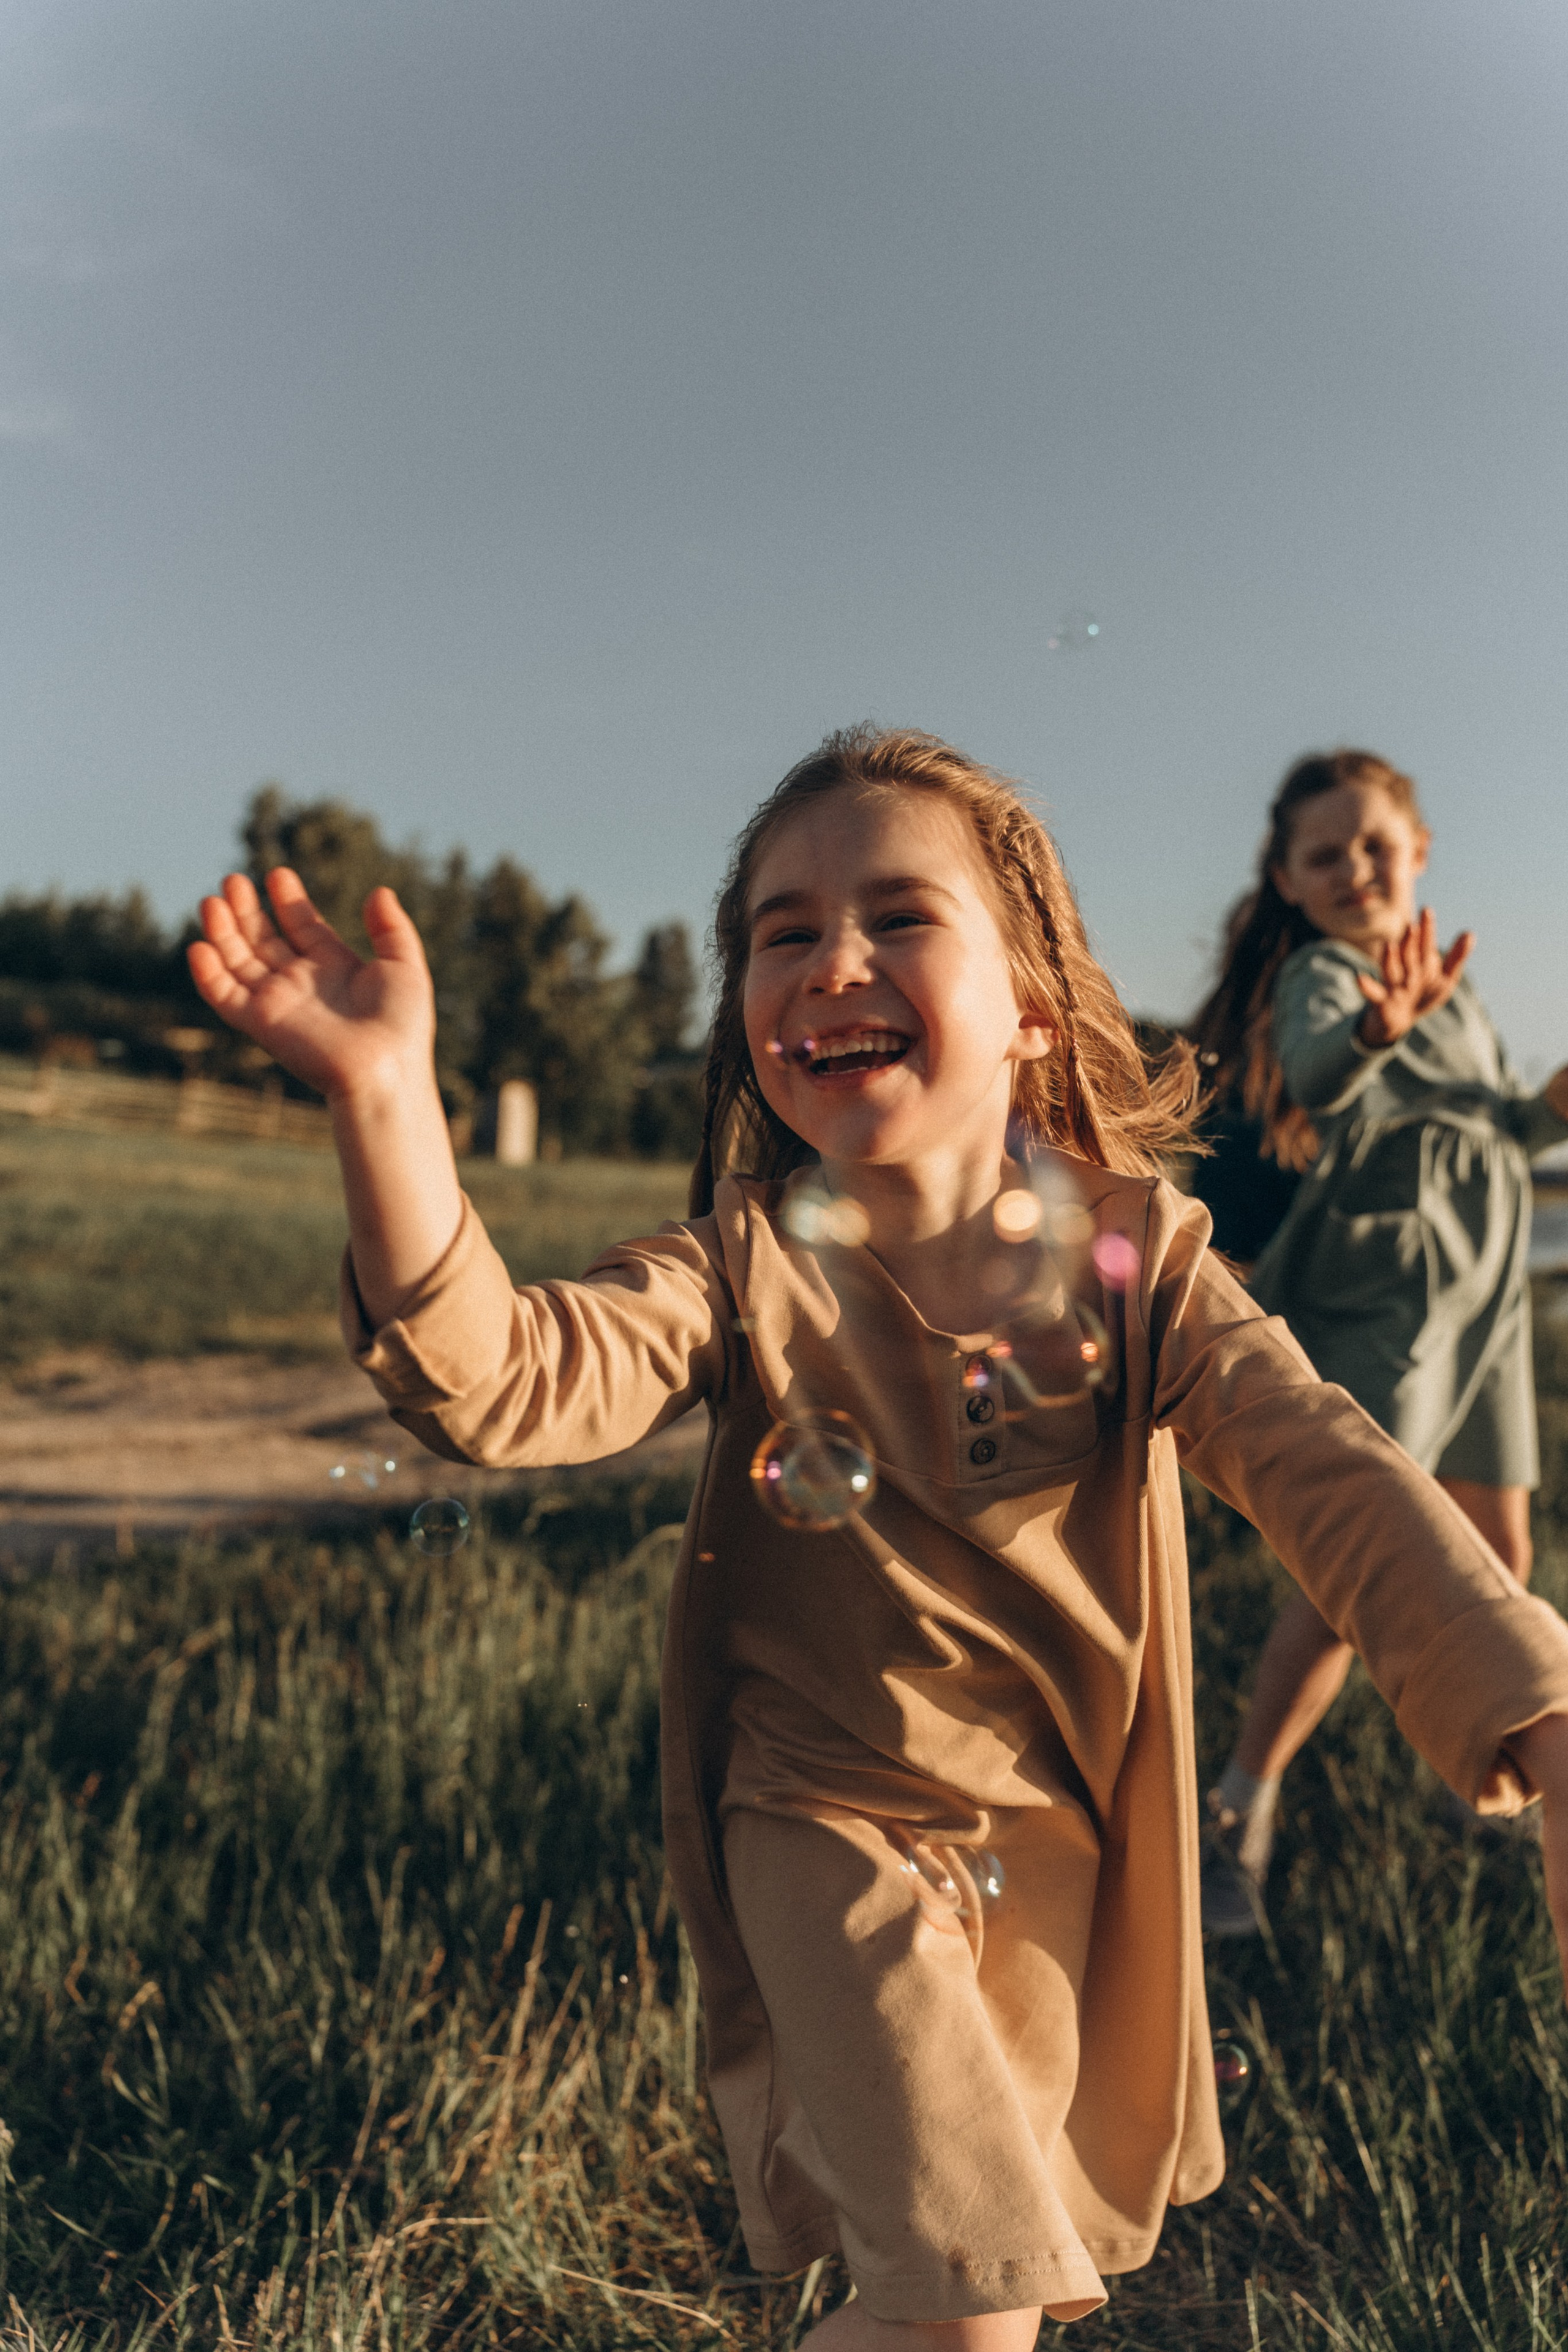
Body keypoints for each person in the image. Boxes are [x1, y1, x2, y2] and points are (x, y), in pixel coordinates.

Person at [189, 726, 1568, 2345]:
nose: (830, 959)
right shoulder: (737, 1270)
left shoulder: (1142, 1269)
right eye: (781, 934)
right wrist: (384, 1104)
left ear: (1032, 1004)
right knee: (970, 2305)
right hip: (821, 1825)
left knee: (980, 2311)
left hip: (1054, 1855)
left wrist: (1533, 1707)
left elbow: (1332, 1471)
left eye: (898, 914)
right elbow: (504, 1376)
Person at [1190, 748, 1568, 1936]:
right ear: (1288, 883)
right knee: (1362, 1570)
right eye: (1325, 855)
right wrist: (1373, 1026)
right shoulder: (1325, 976)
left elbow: (1499, 1128)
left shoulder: (1457, 989)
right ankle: (1235, 1810)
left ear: (1419, 853)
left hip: (1488, 1304)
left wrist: (1551, 1104)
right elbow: (1318, 1077)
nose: (1354, 867)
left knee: (1500, 1545)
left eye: (1374, 845)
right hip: (1390, 1299)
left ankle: (1475, 1778)